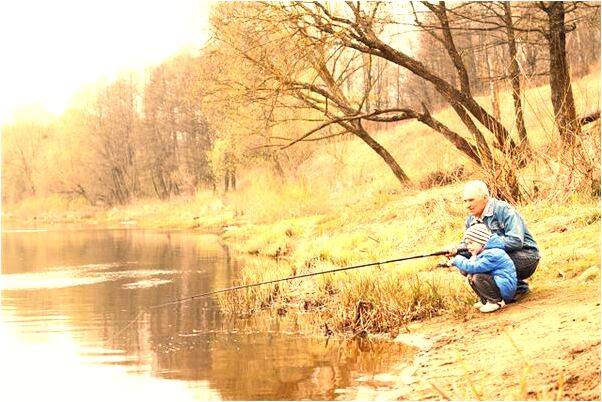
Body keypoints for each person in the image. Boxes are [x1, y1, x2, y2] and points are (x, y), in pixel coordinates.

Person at [448, 180, 540, 300]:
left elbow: (516, 241)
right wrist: (457, 251)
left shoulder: (503, 209)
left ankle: (498, 299)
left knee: (485, 261)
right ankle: (516, 289)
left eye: (471, 200)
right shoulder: (471, 219)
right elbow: (470, 246)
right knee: (465, 266)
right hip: (501, 257)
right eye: (465, 201)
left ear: (485, 197)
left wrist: (486, 245)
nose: (467, 205)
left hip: (526, 256)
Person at [446, 223, 517, 313]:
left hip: (505, 288)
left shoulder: (492, 254)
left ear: (482, 241)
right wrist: (462, 266)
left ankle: (496, 301)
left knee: (478, 277)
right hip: (498, 285)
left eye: (471, 243)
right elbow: (467, 270)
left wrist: (458, 260)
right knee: (472, 276)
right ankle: (485, 300)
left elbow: (475, 267)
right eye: (467, 244)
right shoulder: (481, 254)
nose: (468, 247)